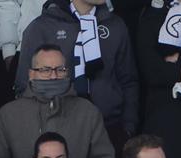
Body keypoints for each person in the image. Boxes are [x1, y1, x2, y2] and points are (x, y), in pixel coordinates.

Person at [0, 45, 115, 158]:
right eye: (45, 70)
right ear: (31, 74)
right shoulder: (9, 114)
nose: (54, 76)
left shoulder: (88, 112)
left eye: (60, 70)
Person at [15, 0, 138, 144]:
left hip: (110, 128)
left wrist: (129, 128)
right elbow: (25, 86)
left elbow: (129, 81)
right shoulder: (41, 27)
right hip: (57, 133)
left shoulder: (116, 25)